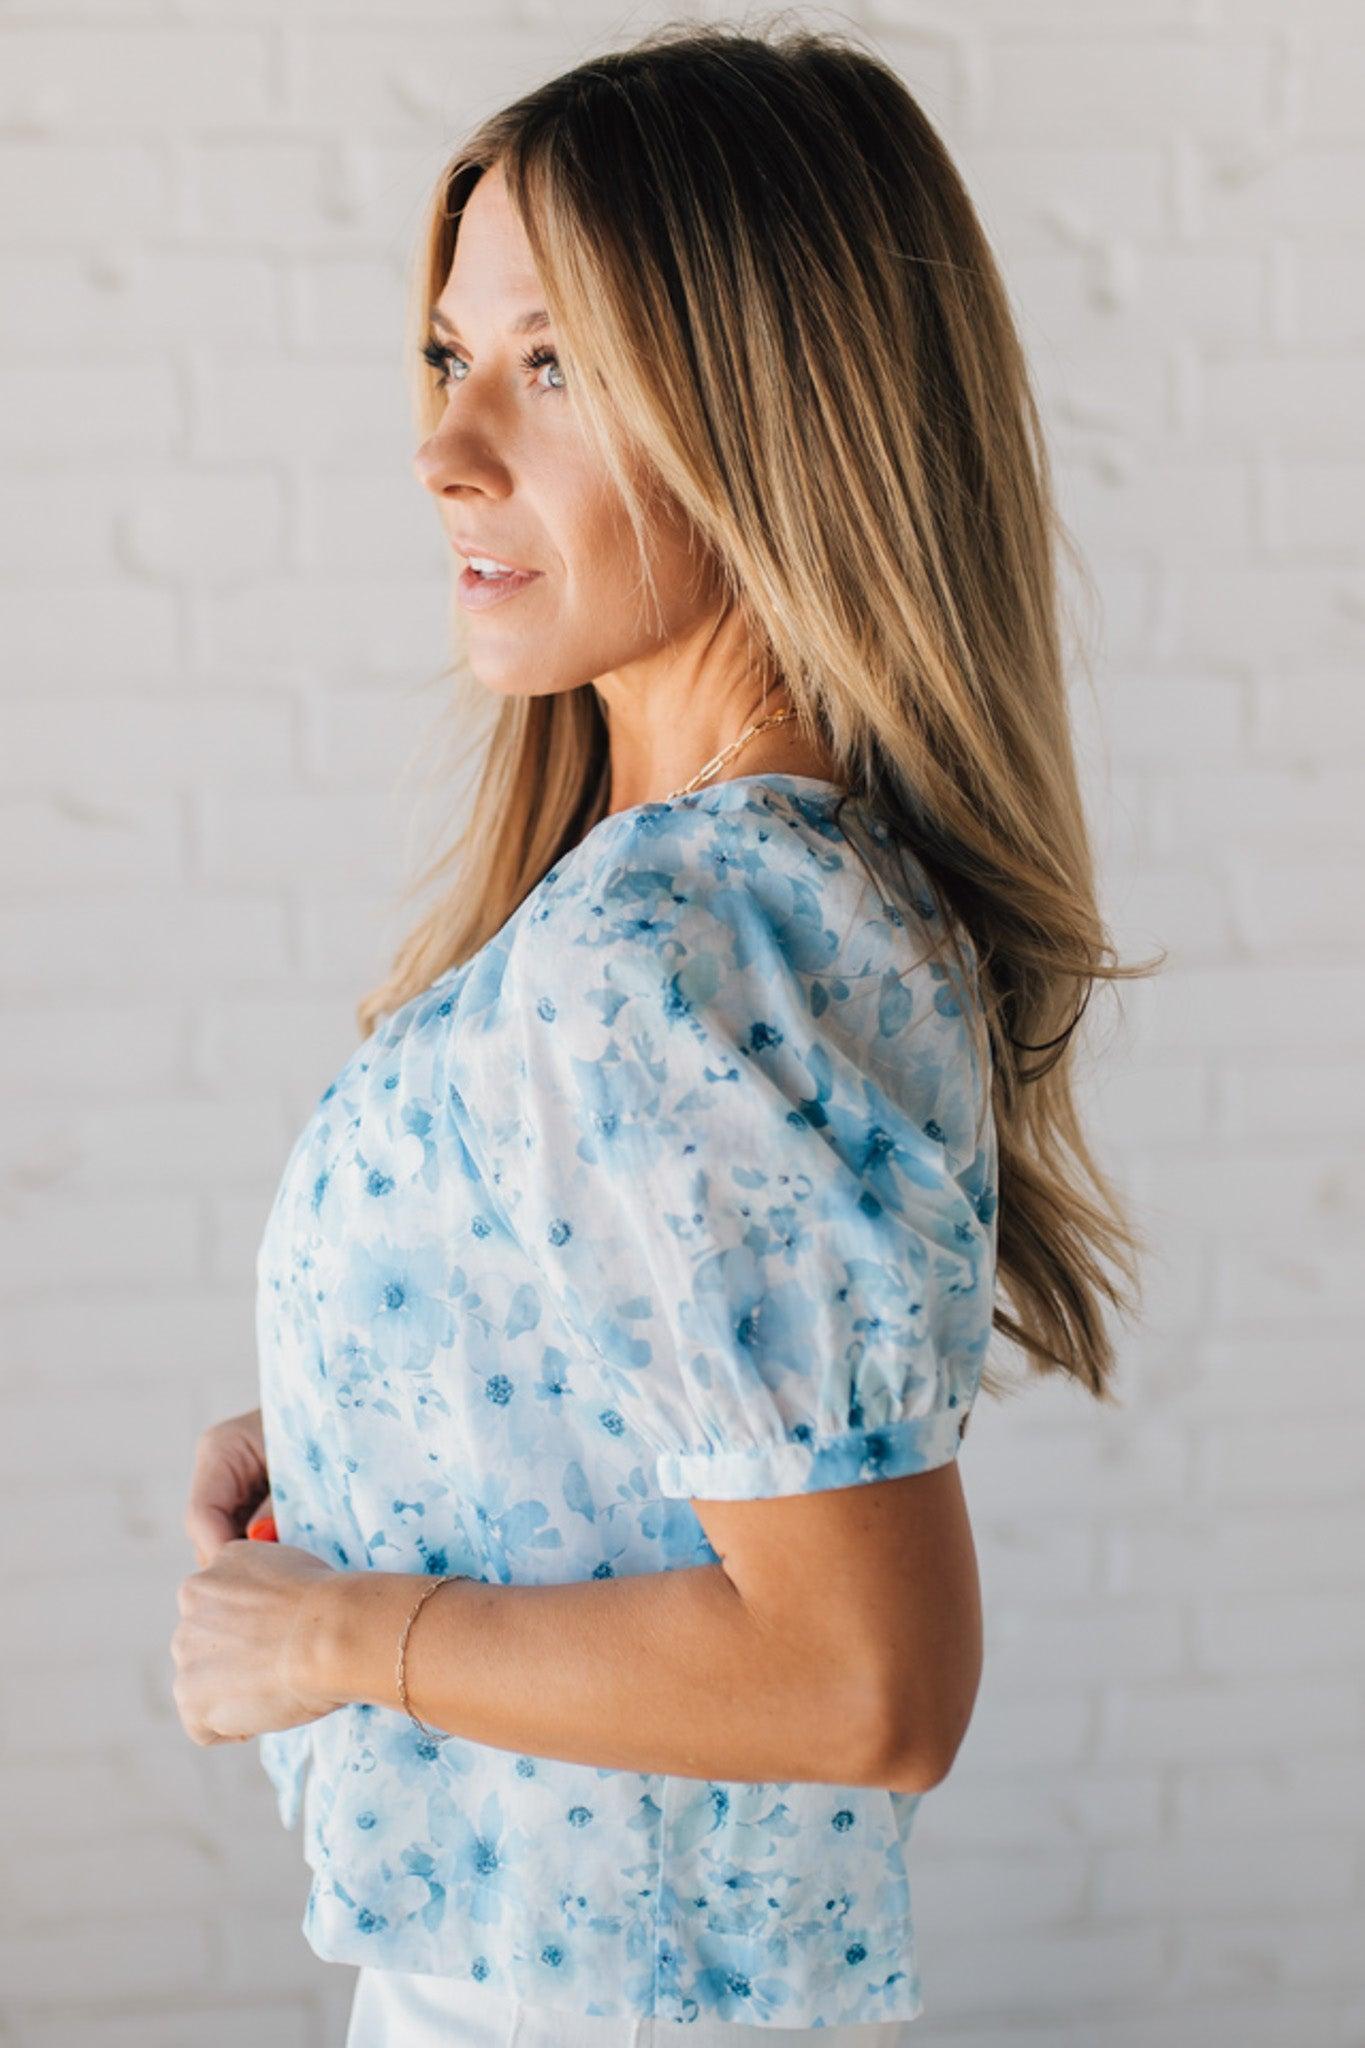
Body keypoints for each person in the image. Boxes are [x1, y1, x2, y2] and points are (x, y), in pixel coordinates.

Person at [173, 21, 1156, 2044]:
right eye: (448, 355)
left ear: (774, 413)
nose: (447, 448)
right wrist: (377, 1414)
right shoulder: (751, 891)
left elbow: (863, 1680)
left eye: (552, 367)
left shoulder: (676, 936)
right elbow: (685, 1421)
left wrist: (340, 1633)